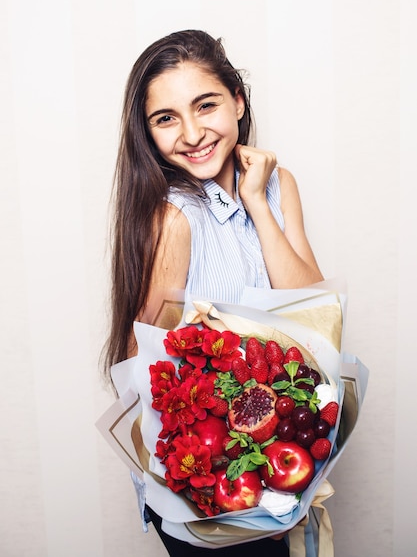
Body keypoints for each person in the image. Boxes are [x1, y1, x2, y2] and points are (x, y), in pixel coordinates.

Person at [102, 29, 324, 557]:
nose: (192, 132)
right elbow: (142, 362)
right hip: (206, 481)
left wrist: (257, 201)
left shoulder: (277, 185)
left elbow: (314, 313)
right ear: (148, 133)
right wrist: (217, 488)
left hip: (277, 460)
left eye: (206, 106)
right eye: (166, 118)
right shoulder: (175, 217)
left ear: (238, 102)